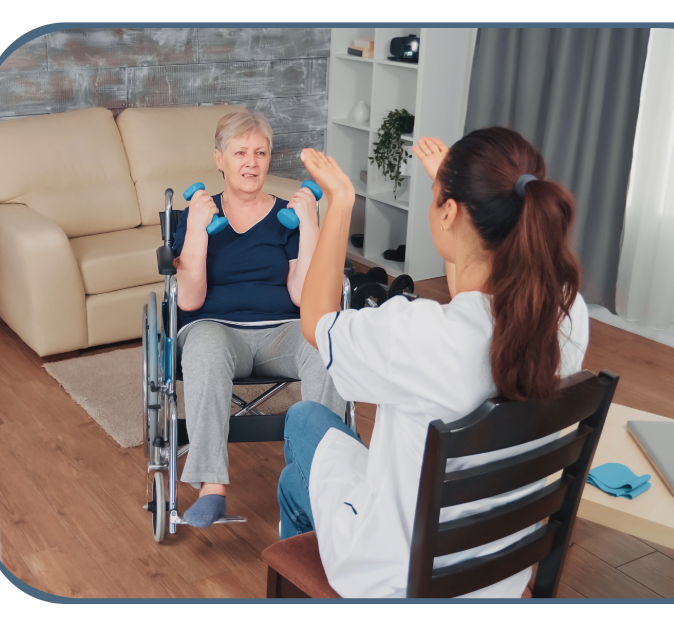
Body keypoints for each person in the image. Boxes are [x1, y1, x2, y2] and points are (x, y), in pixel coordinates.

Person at [282, 127, 589, 598]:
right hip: (501, 574)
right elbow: (472, 289)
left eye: (436, 199)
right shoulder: (568, 311)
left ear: (449, 213)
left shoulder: (419, 333)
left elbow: (317, 323)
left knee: (303, 422)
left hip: (403, 578)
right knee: (300, 476)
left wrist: (340, 202)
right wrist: (455, 190)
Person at [171, 111, 346, 528]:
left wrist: (309, 226)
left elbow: (303, 297)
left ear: (269, 159)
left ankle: (326, 480)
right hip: (216, 329)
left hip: (282, 332)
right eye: (240, 153)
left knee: (326, 341)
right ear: (220, 159)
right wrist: (196, 229)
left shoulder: (289, 217)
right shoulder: (195, 217)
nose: (251, 162)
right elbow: (190, 300)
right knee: (206, 346)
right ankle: (212, 488)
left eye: (260, 153)